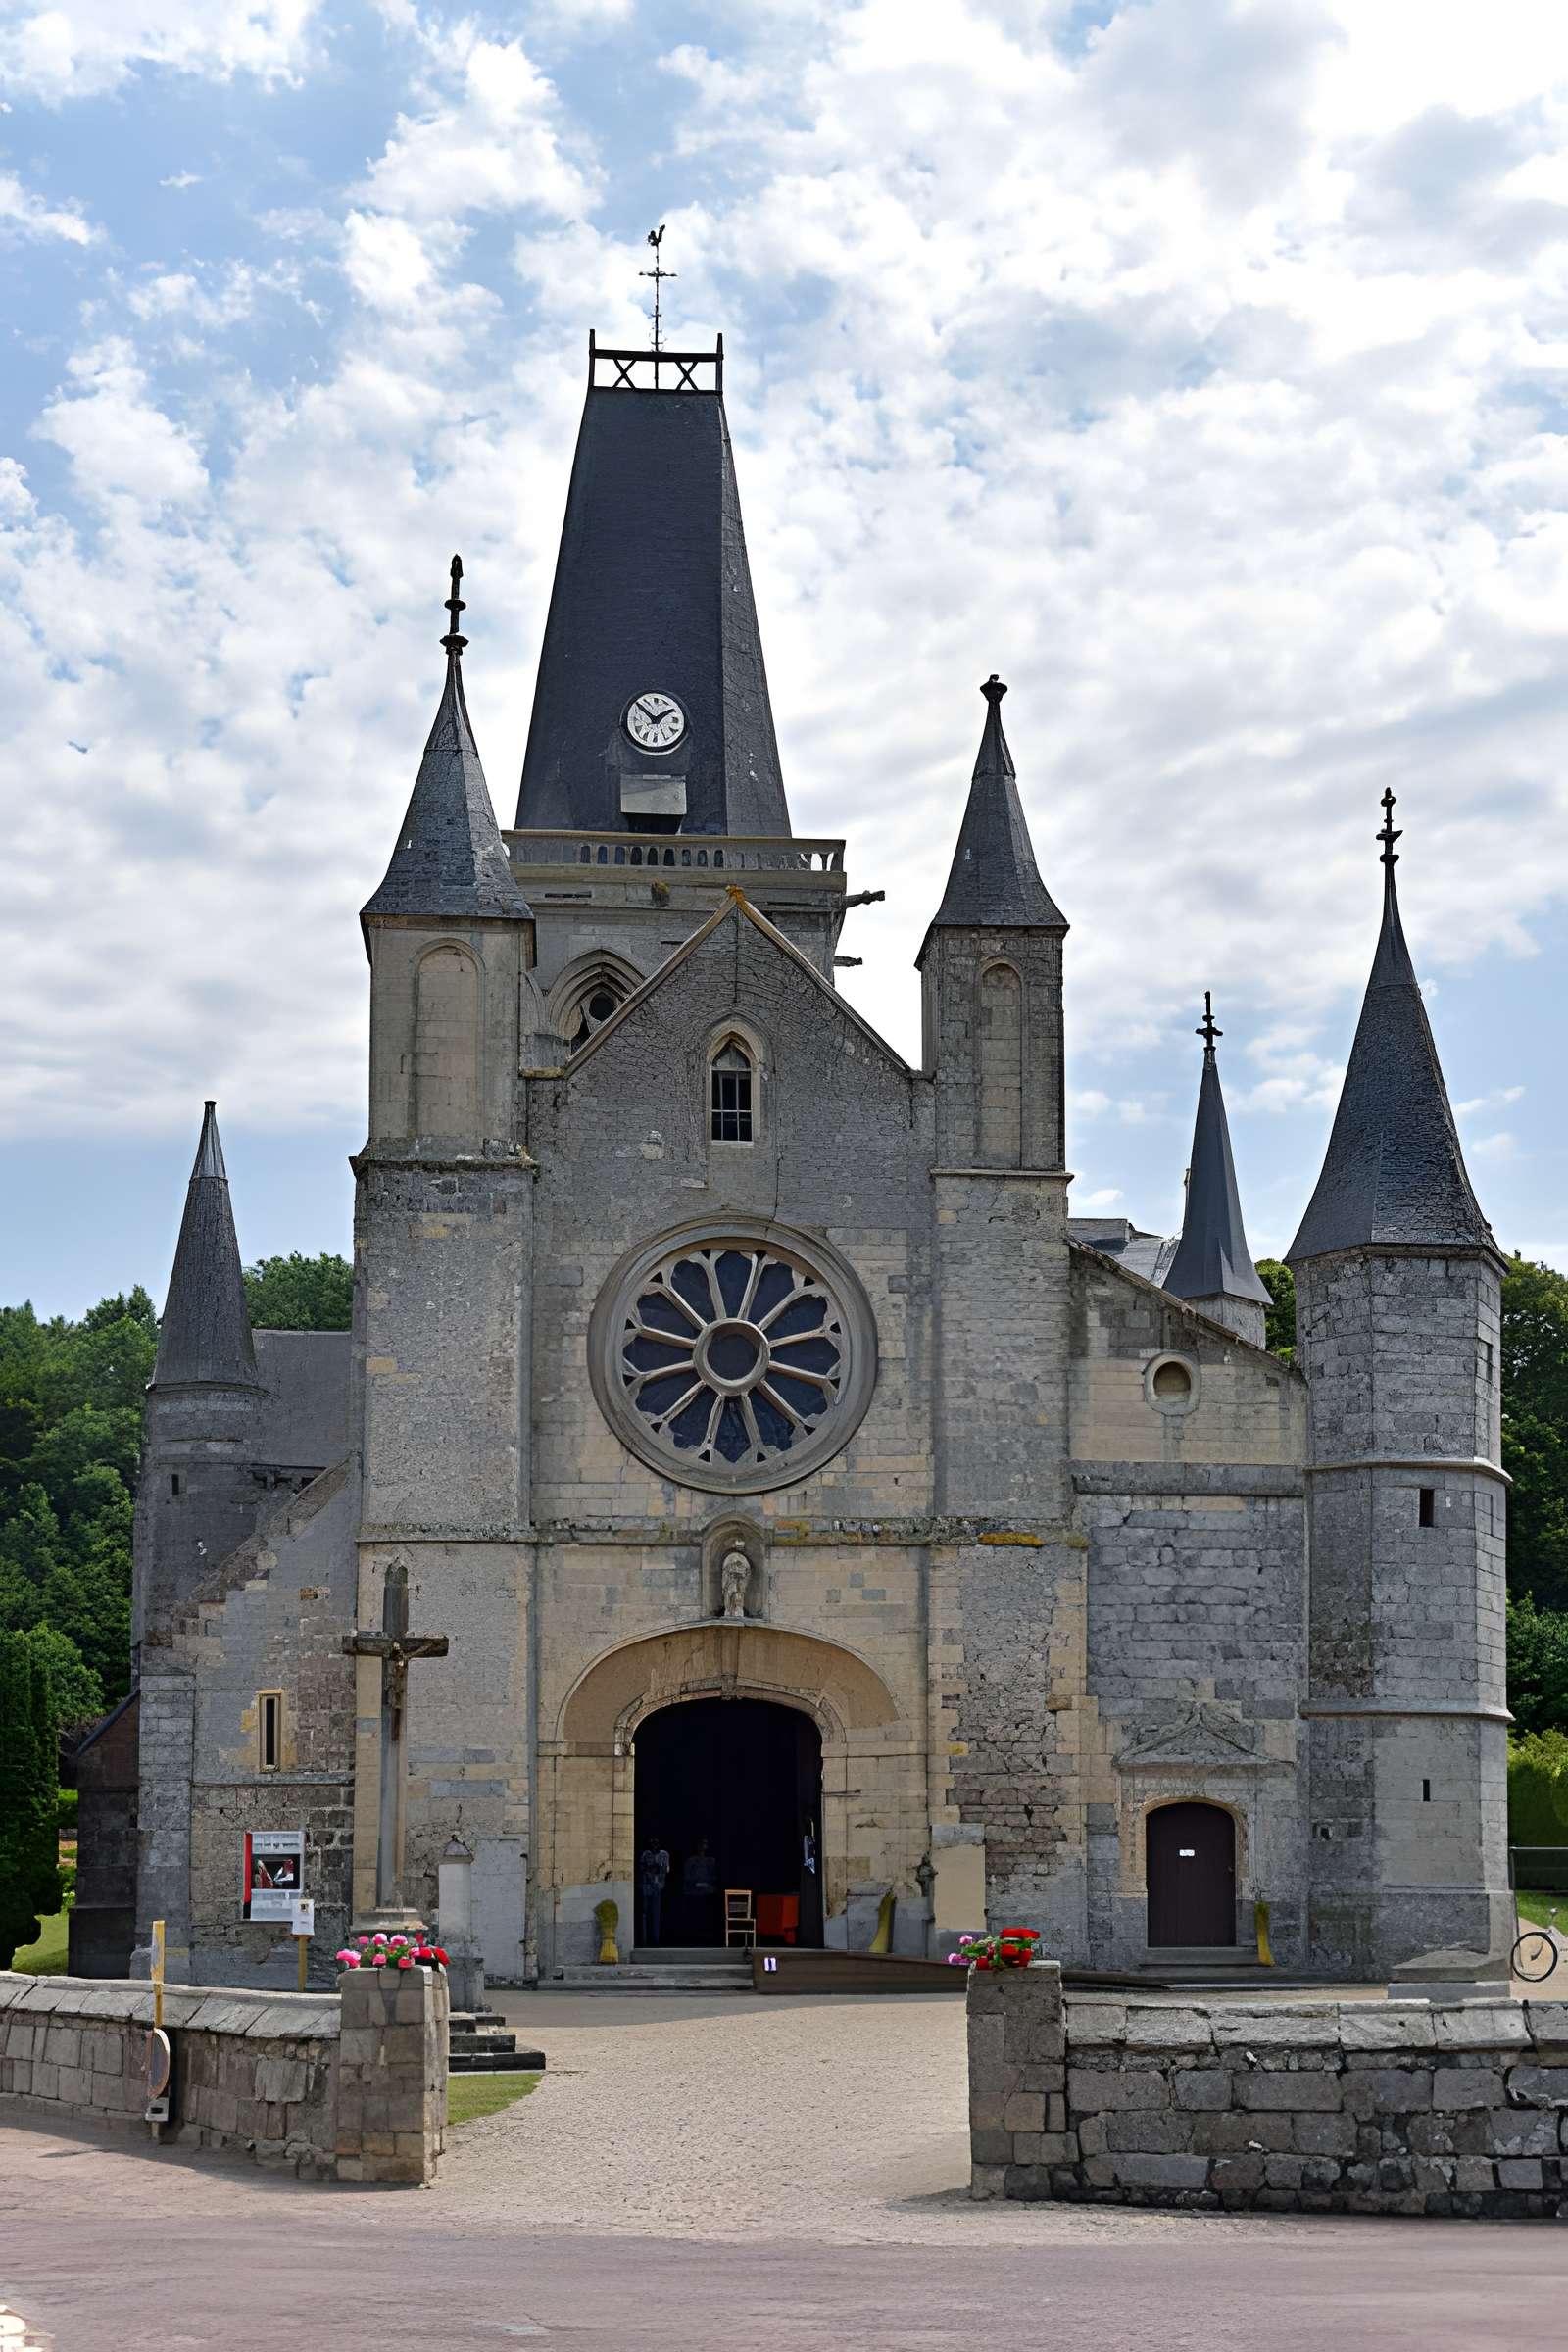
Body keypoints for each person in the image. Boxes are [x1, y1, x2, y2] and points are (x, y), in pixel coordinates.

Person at [640, 1836, 670, 1945]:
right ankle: (645, 1940)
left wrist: (655, 1870)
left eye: (656, 1843)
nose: (654, 1846)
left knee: (657, 1913)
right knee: (646, 1913)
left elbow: (664, 1870)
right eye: (652, 1843)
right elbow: (643, 1869)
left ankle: (657, 1939)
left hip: (659, 1887)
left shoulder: (664, 1854)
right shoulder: (646, 1854)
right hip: (647, 1887)